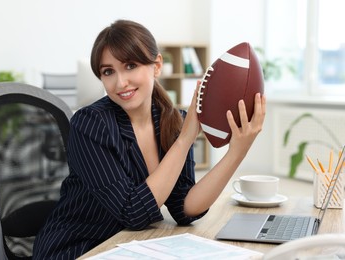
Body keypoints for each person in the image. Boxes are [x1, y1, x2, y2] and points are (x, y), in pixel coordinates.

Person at [33, 19, 266, 259]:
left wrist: (236, 152)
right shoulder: (90, 124)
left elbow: (185, 209)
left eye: (130, 65)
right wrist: (185, 140)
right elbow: (133, 213)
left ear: (156, 66)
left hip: (126, 246)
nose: (120, 82)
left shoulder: (174, 122)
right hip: (77, 248)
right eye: (108, 71)